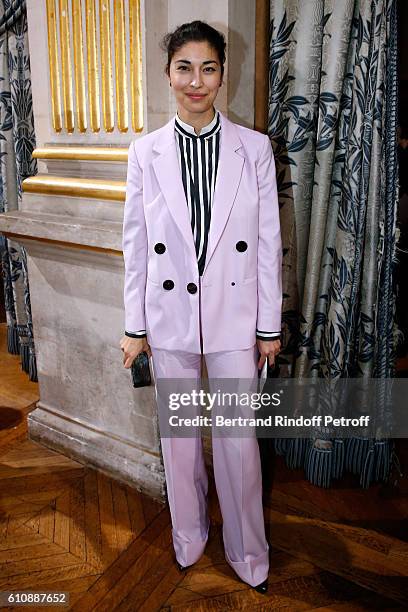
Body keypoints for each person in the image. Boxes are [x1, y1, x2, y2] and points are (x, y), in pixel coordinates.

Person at [120, 20, 282, 594]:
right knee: (180, 440)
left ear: (223, 75)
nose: (197, 81)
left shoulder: (254, 148)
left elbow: (268, 244)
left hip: (238, 319)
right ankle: (188, 534)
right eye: (184, 68)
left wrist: (269, 327)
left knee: (239, 445)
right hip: (169, 321)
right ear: (168, 75)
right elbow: (136, 244)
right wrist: (133, 327)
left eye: (208, 68)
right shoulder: (145, 152)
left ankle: (246, 548)